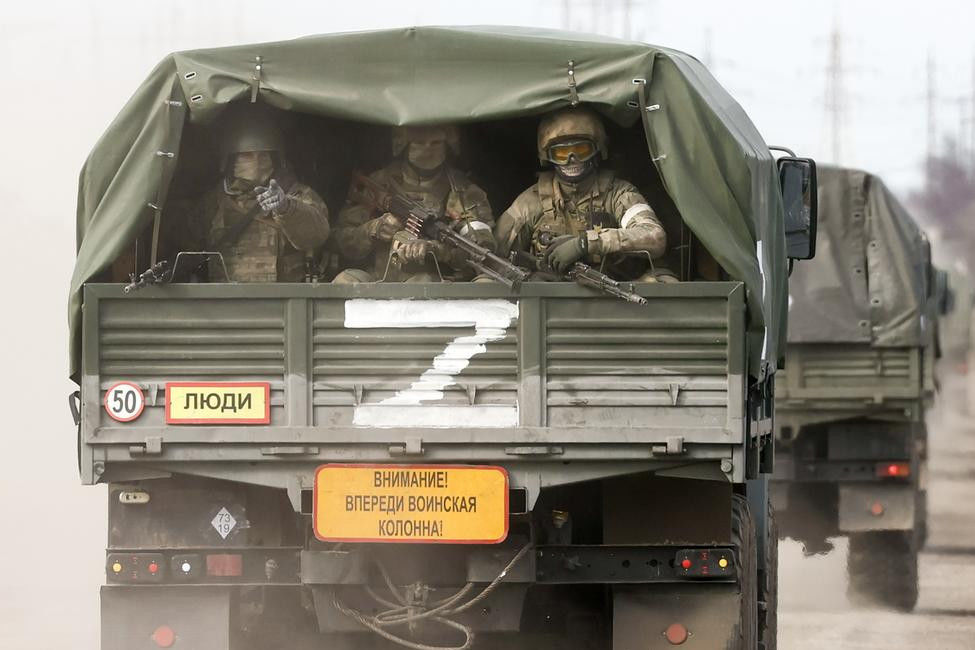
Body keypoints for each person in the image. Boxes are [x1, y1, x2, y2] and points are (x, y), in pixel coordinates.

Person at [495, 107, 675, 282]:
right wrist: (528, 278)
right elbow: (491, 258)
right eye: (561, 153)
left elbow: (654, 237)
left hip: (617, 295)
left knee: (664, 280)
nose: (571, 160)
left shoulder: (619, 194)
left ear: (598, 150)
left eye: (581, 150)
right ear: (547, 156)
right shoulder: (530, 202)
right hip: (550, 300)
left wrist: (586, 243)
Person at [168, 110, 330, 282]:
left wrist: (285, 208)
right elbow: (186, 241)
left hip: (284, 301)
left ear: (275, 158)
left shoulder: (298, 194)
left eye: (263, 155)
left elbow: (317, 236)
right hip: (224, 303)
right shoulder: (214, 201)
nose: (256, 162)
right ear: (231, 160)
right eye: (247, 155)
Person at [331, 125, 495, 283]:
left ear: (447, 145)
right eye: (419, 142)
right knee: (345, 281)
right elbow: (339, 241)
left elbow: (479, 252)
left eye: (436, 143)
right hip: (377, 279)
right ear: (405, 143)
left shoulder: (462, 191)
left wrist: (436, 249)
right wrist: (373, 229)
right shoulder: (380, 183)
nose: (427, 149)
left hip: (429, 284)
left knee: (424, 283)